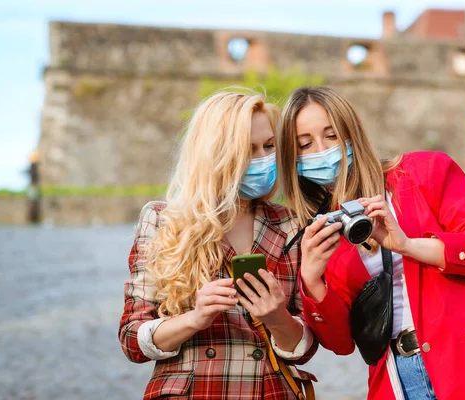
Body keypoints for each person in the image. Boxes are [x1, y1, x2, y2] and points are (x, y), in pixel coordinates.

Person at [277, 86, 465, 400]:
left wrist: (407, 245)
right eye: (305, 144)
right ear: (293, 158)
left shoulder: (425, 172)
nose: (321, 151)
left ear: (351, 134)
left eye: (331, 136)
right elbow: (342, 344)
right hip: (400, 379)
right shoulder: (320, 231)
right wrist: (312, 278)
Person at [119, 90, 317, 400]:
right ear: (216, 154)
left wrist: (277, 317)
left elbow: (305, 348)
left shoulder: (291, 223)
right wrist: (195, 319)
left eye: (268, 146)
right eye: (248, 150)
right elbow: (132, 339)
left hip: (269, 391)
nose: (264, 159)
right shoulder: (163, 220)